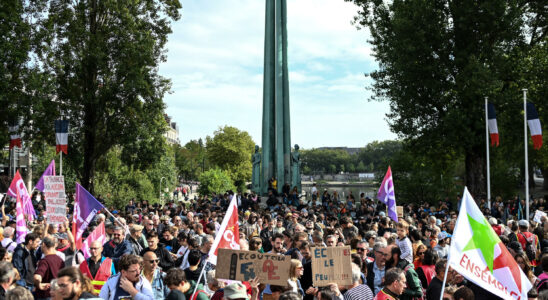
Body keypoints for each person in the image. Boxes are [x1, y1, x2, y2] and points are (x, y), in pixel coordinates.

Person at [35, 236, 65, 300]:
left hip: (45, 295)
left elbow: (37, 277)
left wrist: (39, 285)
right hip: (58, 295)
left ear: (43, 245)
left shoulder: (44, 261)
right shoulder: (60, 260)